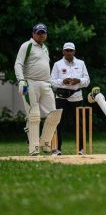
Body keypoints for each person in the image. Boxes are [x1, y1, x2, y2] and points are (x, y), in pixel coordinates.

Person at [14, 23, 62, 156]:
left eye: (43, 33)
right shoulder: (27, 45)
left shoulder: (45, 48)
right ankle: (33, 148)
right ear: (33, 34)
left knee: (54, 114)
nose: (41, 35)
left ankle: (45, 142)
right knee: (34, 115)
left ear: (46, 34)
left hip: (45, 84)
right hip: (30, 83)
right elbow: (18, 63)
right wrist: (21, 80)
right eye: (38, 33)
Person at [51, 42, 90, 155]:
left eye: (70, 50)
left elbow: (87, 81)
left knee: (80, 124)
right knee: (58, 124)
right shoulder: (57, 64)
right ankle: (57, 149)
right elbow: (52, 82)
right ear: (63, 51)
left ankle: (81, 149)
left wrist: (79, 81)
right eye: (66, 50)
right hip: (61, 98)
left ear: (74, 51)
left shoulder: (81, 63)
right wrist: (62, 81)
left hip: (77, 97)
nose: (68, 52)